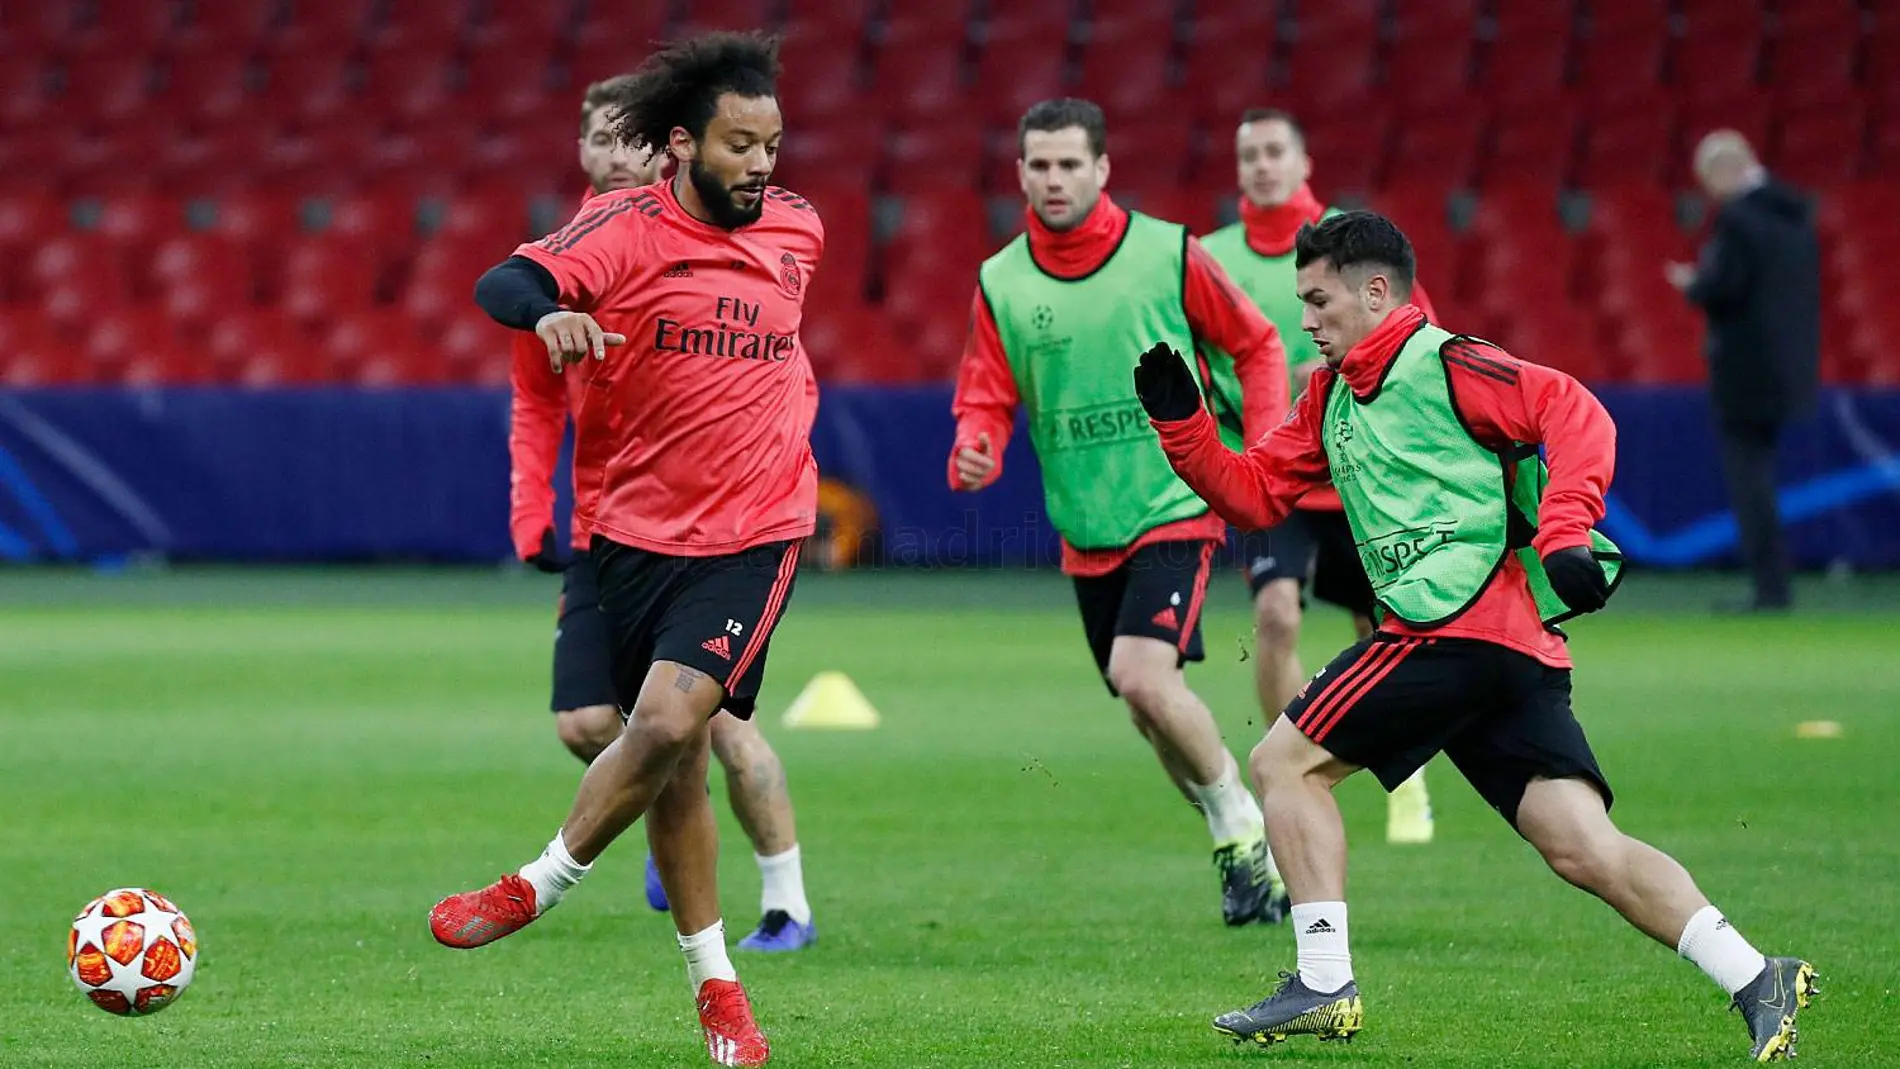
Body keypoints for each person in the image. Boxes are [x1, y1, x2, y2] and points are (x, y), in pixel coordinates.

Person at [1137, 211, 1815, 1062]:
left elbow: (1575, 411)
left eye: (1317, 300)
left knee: (1281, 763)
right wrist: (1185, 425)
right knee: (1581, 846)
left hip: (1448, 628)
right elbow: (1255, 494)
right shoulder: (1330, 395)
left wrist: (1566, 529)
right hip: (1511, 651)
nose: (1304, 319)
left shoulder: (1450, 361)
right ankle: (1758, 976)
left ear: (1376, 291)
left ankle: (1323, 981)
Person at [436, 32, 825, 1067]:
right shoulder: (617, 231)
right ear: (686, 145)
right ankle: (719, 994)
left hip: (755, 531)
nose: (761, 165)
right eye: (740, 145)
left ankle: (538, 881)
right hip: (630, 534)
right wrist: (553, 312)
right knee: (676, 767)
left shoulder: (799, 230)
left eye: (773, 145)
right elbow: (500, 284)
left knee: (661, 719)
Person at [949, 97, 1293, 927]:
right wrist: (978, 439)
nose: (1055, 178)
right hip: (1086, 522)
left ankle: (1245, 819)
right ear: (1020, 173)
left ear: (1103, 169)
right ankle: (1240, 840)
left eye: (1071, 163)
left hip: (1175, 499)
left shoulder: (1166, 253)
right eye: (1040, 164)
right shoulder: (1001, 279)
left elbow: (1257, 344)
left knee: (1143, 675)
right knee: (1143, 702)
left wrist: (1269, 443)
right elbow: (987, 390)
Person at [509, 74, 815, 956]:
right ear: (581, 151)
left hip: (723, 531)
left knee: (712, 728)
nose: (617, 155)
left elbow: (776, 362)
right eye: (600, 139)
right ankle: (663, 818)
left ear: (665, 147)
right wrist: (534, 512)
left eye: (629, 139)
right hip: (608, 528)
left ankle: (787, 901)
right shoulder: (567, 257)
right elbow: (536, 399)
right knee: (590, 724)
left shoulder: (736, 236)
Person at [1197, 108, 1435, 845]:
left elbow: (1419, 338)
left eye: (1275, 152)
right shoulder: (1209, 257)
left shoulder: (1356, 242)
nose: (1262, 165)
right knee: (1276, 616)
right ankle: (1290, 772)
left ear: (1303, 163)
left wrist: (1343, 367)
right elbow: (1194, 360)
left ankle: (1408, 775)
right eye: (1249, 155)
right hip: (1278, 471)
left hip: (1363, 471)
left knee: (1384, 629)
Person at [1666, 129, 1821, 613]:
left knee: (1749, 483)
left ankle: (1770, 589)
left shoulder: (1738, 218)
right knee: (1762, 480)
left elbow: (1725, 287)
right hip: (1788, 367)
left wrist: (1694, 284)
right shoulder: (1792, 213)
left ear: (1725, 170)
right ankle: (1775, 585)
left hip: (1746, 371)